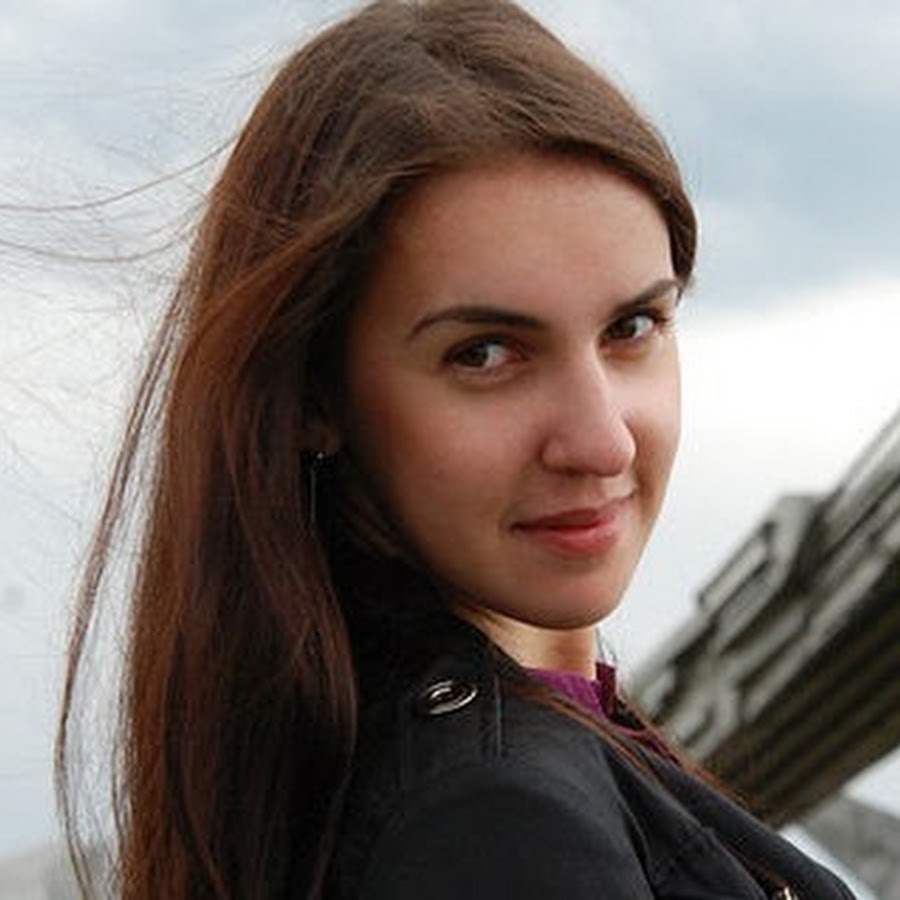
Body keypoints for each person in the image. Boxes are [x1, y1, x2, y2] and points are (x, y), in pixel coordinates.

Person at [57, 1, 857, 898]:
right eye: (485, 354)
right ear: (314, 395)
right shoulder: (501, 826)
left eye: (632, 327)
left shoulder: (425, 759)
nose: (601, 442)